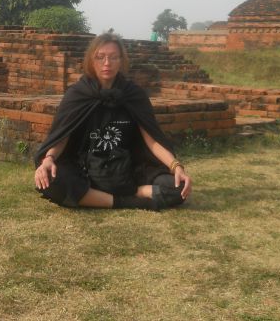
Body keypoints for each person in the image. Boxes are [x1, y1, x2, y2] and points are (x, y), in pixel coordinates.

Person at [34, 33, 192, 210]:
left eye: (113, 57)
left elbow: (153, 141)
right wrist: (49, 158)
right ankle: (132, 198)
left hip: (127, 169)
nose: (107, 63)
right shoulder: (77, 95)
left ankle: (106, 195)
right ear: (91, 60)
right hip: (84, 169)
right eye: (100, 57)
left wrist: (176, 167)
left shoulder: (133, 95)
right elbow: (63, 135)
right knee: (51, 180)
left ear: (121, 61)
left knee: (178, 188)